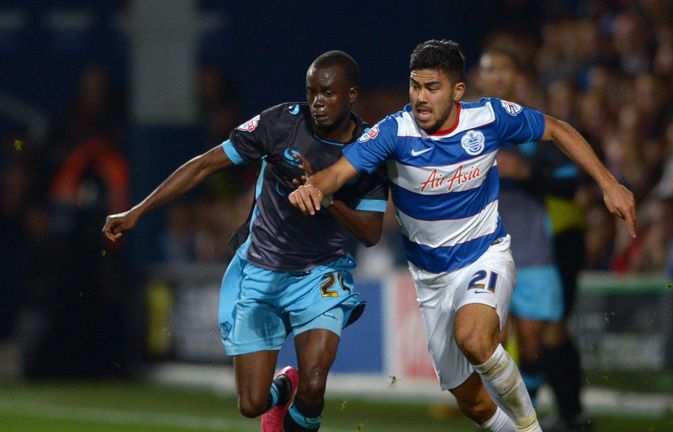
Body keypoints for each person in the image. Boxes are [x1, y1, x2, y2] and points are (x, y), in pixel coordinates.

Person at [289, 40, 636, 432]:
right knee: (470, 400)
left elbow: (556, 129)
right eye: (415, 86)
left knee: (474, 337)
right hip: (431, 280)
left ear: (457, 92)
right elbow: (337, 172)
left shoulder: (488, 118)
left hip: (484, 255)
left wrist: (610, 184)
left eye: (431, 88)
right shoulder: (394, 131)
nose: (420, 98)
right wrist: (314, 187)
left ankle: (532, 427)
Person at [102, 51, 389, 432]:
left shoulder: (368, 150)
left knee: (316, 382)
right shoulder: (279, 123)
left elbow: (370, 233)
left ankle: (299, 397)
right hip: (261, 269)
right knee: (252, 405)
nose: (317, 101)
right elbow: (205, 164)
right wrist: (137, 210)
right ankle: (284, 385)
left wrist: (327, 196)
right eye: (311, 92)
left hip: (321, 274)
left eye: (328, 93)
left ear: (351, 95)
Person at [475, 46, 593, 431]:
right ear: (478, 78)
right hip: (482, 251)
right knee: (494, 338)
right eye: (490, 69)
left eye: (504, 69)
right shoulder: (466, 128)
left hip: (534, 249)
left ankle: (529, 416)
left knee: (534, 340)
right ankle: (515, 412)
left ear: (517, 77)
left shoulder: (533, 126)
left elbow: (568, 186)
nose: (497, 77)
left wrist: (527, 174)